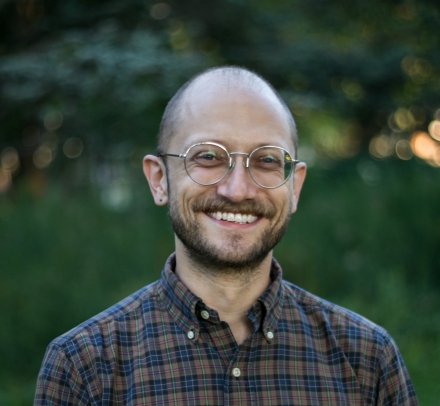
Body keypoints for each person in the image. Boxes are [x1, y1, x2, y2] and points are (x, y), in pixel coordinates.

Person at [34, 66, 418, 405]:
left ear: (295, 186)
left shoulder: (368, 359)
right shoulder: (84, 366)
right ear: (158, 180)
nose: (237, 190)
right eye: (207, 156)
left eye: (266, 160)